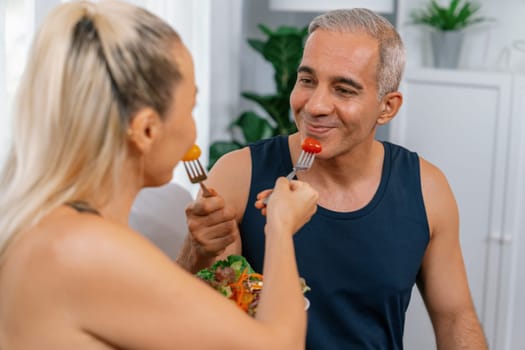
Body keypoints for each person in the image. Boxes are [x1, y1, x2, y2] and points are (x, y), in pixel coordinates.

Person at [0, 1, 319, 349]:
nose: (192, 130)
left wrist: (194, 256)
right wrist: (280, 227)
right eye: (190, 108)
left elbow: (137, 317)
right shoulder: (79, 247)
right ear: (147, 130)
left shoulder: (62, 231)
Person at [178, 8, 488, 350]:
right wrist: (197, 253)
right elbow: (197, 311)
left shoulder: (426, 189)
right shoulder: (239, 173)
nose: (315, 105)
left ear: (387, 107)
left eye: (344, 89)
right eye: (307, 80)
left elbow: (455, 316)